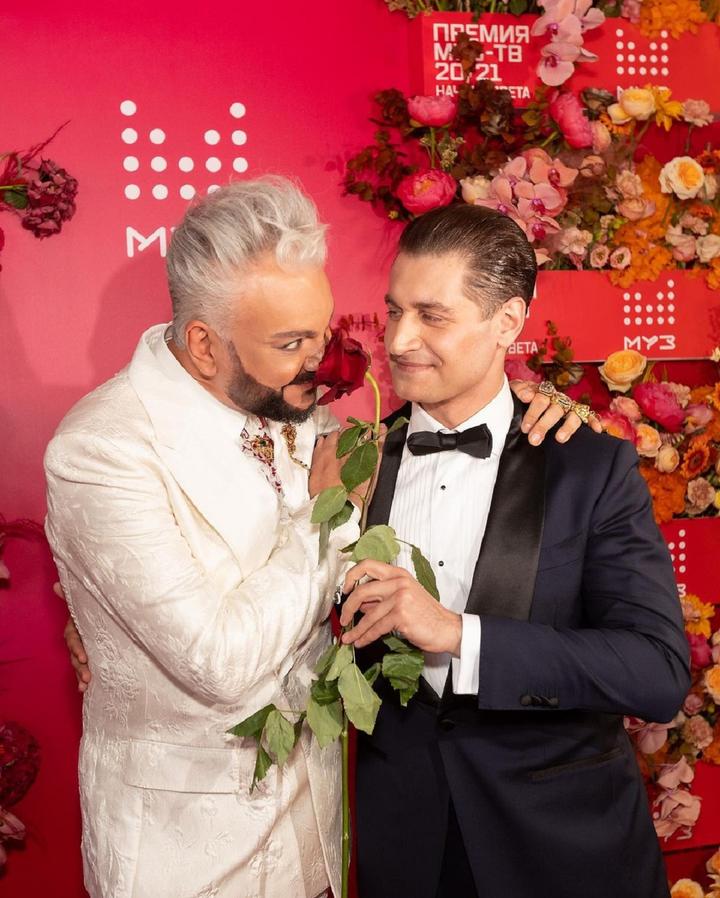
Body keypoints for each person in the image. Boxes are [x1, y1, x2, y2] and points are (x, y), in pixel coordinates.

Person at [48, 179, 585, 898]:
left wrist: (524, 403)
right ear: (204, 346)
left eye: (322, 331)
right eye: (291, 343)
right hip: (186, 856)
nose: (321, 360)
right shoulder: (101, 450)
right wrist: (325, 514)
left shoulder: (304, 412)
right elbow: (217, 662)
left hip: (321, 839)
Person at [339, 203, 691, 898]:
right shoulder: (353, 462)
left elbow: (656, 670)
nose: (400, 340)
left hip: (562, 853)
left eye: (432, 316)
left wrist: (459, 635)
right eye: (394, 312)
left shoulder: (589, 466)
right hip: (404, 851)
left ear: (507, 321)